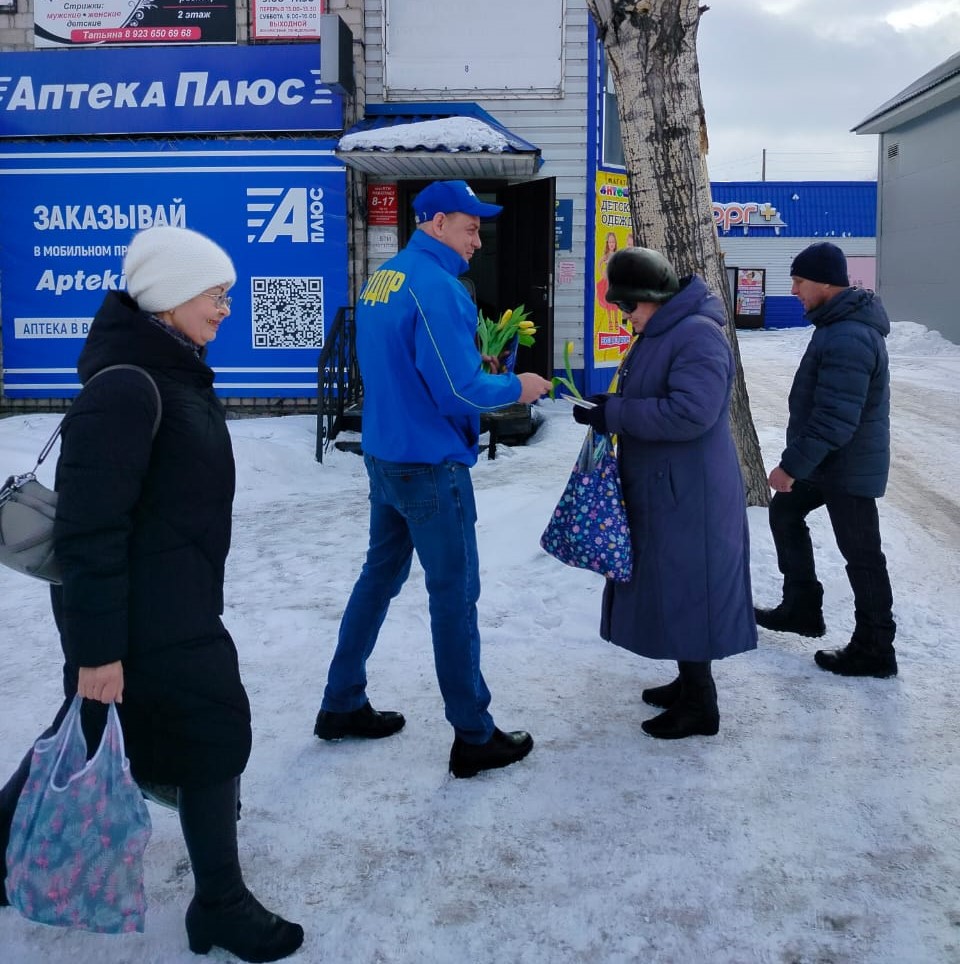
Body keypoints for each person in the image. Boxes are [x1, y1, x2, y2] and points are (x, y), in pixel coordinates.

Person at [0, 226, 304, 962]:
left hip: (172, 599)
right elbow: (89, 531)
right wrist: (97, 653)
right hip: (143, 615)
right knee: (210, 734)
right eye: (215, 294)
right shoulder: (126, 390)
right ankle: (221, 906)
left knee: (91, 731)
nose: (225, 308)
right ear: (169, 297)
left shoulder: (171, 374)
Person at [313, 179, 553, 778]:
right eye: (471, 227)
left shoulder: (385, 277)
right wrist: (517, 387)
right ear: (438, 222)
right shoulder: (438, 287)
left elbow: (412, 368)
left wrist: (475, 369)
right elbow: (458, 391)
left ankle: (341, 701)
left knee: (378, 579)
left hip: (387, 454)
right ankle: (474, 734)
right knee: (454, 594)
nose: (478, 240)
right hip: (429, 464)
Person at [572, 247, 757, 739]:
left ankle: (700, 705)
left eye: (628, 305)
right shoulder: (666, 330)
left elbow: (691, 413)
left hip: (691, 493)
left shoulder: (697, 335)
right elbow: (655, 395)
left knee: (691, 589)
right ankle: (688, 680)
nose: (624, 314)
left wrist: (616, 414)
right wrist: (607, 405)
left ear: (653, 296)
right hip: (671, 487)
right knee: (675, 587)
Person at [753, 241, 897, 678]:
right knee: (785, 512)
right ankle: (801, 607)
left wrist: (791, 467)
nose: (793, 290)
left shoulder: (849, 336)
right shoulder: (836, 326)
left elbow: (835, 418)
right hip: (830, 462)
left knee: (862, 555)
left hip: (847, 467)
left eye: (799, 281)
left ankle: (875, 648)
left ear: (825, 283)